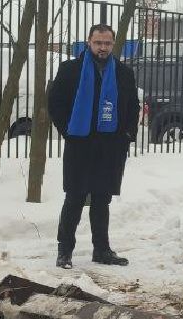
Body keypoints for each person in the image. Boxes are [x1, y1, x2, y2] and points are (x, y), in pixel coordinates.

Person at [46, 23, 140, 269]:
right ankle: (65, 251)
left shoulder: (123, 73)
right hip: (80, 144)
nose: (103, 48)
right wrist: (68, 131)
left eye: (107, 43)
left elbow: (133, 106)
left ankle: (102, 250)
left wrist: (127, 135)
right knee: (74, 198)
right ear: (89, 42)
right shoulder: (70, 70)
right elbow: (55, 103)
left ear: (113, 44)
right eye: (98, 43)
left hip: (110, 147)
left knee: (101, 199)